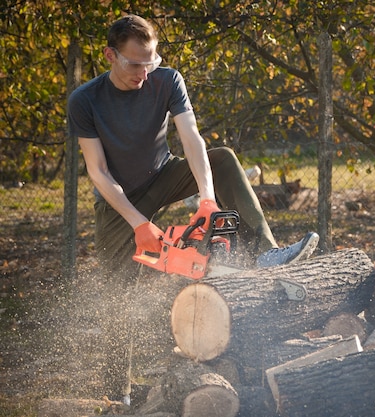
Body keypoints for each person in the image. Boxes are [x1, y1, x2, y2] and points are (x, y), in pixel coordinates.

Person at [67, 14, 318, 405]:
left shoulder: (167, 80)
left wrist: (206, 198)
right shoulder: (85, 100)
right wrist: (139, 224)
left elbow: (192, 139)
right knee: (117, 298)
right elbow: (98, 173)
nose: (144, 73)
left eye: (150, 61)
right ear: (110, 56)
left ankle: (266, 252)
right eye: (135, 64)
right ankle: (119, 395)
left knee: (223, 159)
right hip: (118, 204)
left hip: (164, 174)